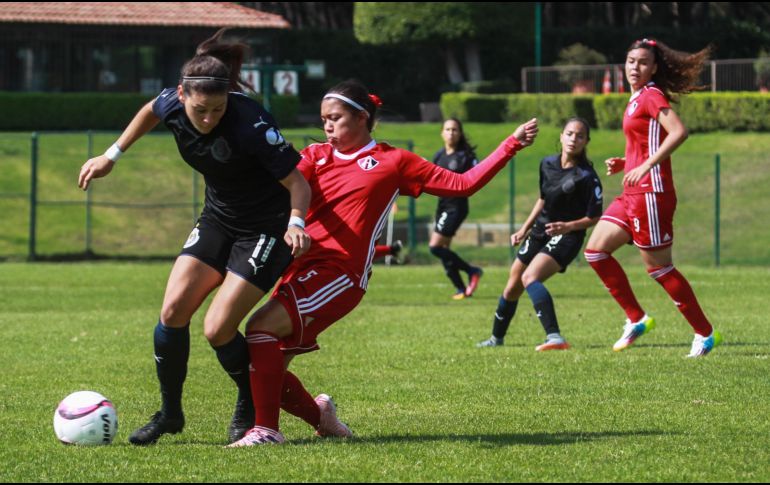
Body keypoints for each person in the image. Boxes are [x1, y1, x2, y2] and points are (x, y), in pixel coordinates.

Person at [227, 80, 539, 447]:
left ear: (361, 118)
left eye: (336, 118)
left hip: (340, 273)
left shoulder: (394, 162)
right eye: (324, 119)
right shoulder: (314, 156)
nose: (327, 126)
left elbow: (463, 183)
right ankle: (321, 418)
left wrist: (511, 143)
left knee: (260, 327)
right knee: (268, 370)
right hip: (300, 269)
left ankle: (266, 431)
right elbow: (277, 188)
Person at [77, 29, 311, 445]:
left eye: (217, 110)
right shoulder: (171, 102)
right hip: (219, 218)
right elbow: (150, 109)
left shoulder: (252, 123)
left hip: (265, 228)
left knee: (218, 328)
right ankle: (170, 414)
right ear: (182, 94)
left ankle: (250, 402)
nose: (208, 119)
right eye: (201, 110)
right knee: (172, 312)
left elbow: (298, 183)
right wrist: (111, 155)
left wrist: (296, 222)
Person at [583, 38, 721, 358]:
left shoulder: (651, 95)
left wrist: (645, 165)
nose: (635, 67)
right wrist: (626, 163)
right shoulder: (634, 98)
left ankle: (705, 333)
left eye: (643, 62)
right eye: (631, 61)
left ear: (654, 68)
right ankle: (637, 319)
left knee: (659, 269)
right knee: (595, 252)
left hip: (651, 194)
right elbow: (645, 142)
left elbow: (678, 132)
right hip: (633, 191)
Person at [477, 118, 603, 351]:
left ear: (586, 141)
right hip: (540, 231)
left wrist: (568, 226)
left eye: (580, 136)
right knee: (513, 283)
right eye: (569, 133)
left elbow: (595, 217)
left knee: (530, 277)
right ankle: (496, 339)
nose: (573, 139)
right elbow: (543, 199)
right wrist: (524, 229)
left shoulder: (587, 176)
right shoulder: (547, 164)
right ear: (561, 136)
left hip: (567, 236)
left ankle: (554, 337)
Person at [429, 118, 484, 299]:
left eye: (455, 129)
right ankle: (461, 289)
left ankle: (472, 270)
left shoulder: (465, 156)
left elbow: (477, 176)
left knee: (435, 247)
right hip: (442, 205)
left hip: (456, 206)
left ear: (460, 133)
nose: (451, 133)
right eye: (448, 129)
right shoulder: (438, 156)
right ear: (441, 133)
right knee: (445, 251)